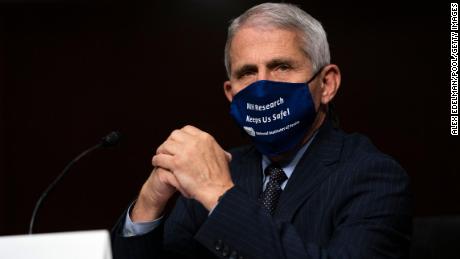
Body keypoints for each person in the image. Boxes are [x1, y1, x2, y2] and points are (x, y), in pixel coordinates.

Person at [111, 3, 412, 259]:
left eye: (281, 67)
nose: (262, 86)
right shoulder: (219, 169)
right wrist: (149, 204)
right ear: (230, 93)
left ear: (327, 84)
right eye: (247, 72)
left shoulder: (374, 177)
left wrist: (219, 195)